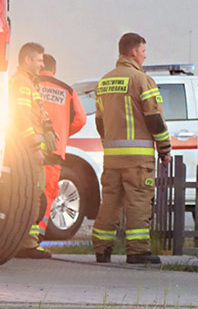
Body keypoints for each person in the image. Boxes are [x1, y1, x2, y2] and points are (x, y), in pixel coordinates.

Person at [92, 33, 171, 264]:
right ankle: (137, 251)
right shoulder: (141, 80)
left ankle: (102, 249)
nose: (145, 56)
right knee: (138, 202)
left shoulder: (104, 82)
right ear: (133, 52)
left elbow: (100, 122)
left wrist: (109, 143)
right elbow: (154, 118)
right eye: (143, 51)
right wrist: (164, 149)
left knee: (110, 202)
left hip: (112, 158)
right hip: (138, 159)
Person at [9, 43, 58, 259]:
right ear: (27, 60)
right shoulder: (22, 83)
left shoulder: (29, 82)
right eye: (39, 60)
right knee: (33, 197)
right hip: (27, 153)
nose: (41, 64)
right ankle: (27, 244)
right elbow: (21, 117)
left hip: (29, 151)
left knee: (35, 197)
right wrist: (34, 147)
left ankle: (26, 242)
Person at [36, 54, 87, 237]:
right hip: (53, 150)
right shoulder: (66, 90)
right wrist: (63, 134)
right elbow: (81, 120)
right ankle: (37, 236)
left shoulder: (29, 85)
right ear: (54, 70)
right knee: (48, 192)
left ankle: (23, 235)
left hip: (28, 148)